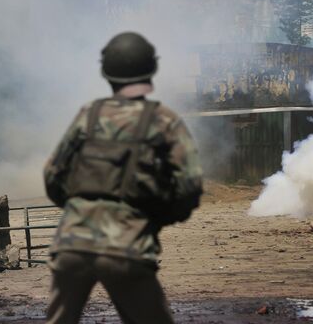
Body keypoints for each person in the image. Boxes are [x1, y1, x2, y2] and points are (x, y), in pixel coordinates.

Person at [43, 32, 203, 324]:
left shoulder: (88, 115)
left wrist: (78, 208)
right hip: (127, 245)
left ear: (107, 72)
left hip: (72, 243)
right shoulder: (163, 119)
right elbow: (190, 186)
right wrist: (155, 218)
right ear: (151, 70)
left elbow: (52, 176)